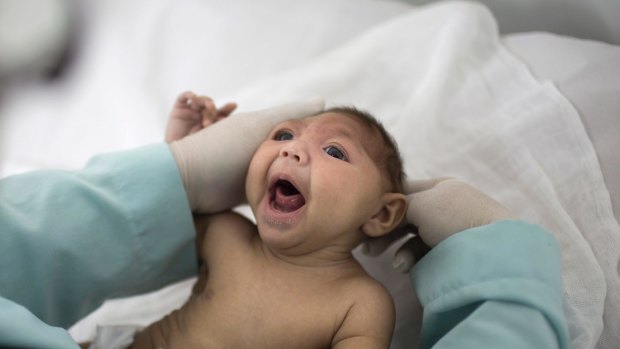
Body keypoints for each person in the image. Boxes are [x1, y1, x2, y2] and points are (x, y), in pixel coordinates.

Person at [0, 92, 568, 349]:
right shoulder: (228, 235)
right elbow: (163, 213)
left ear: (382, 213)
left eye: (336, 152)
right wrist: (182, 152)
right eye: (285, 135)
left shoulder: (358, 303)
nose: (294, 151)